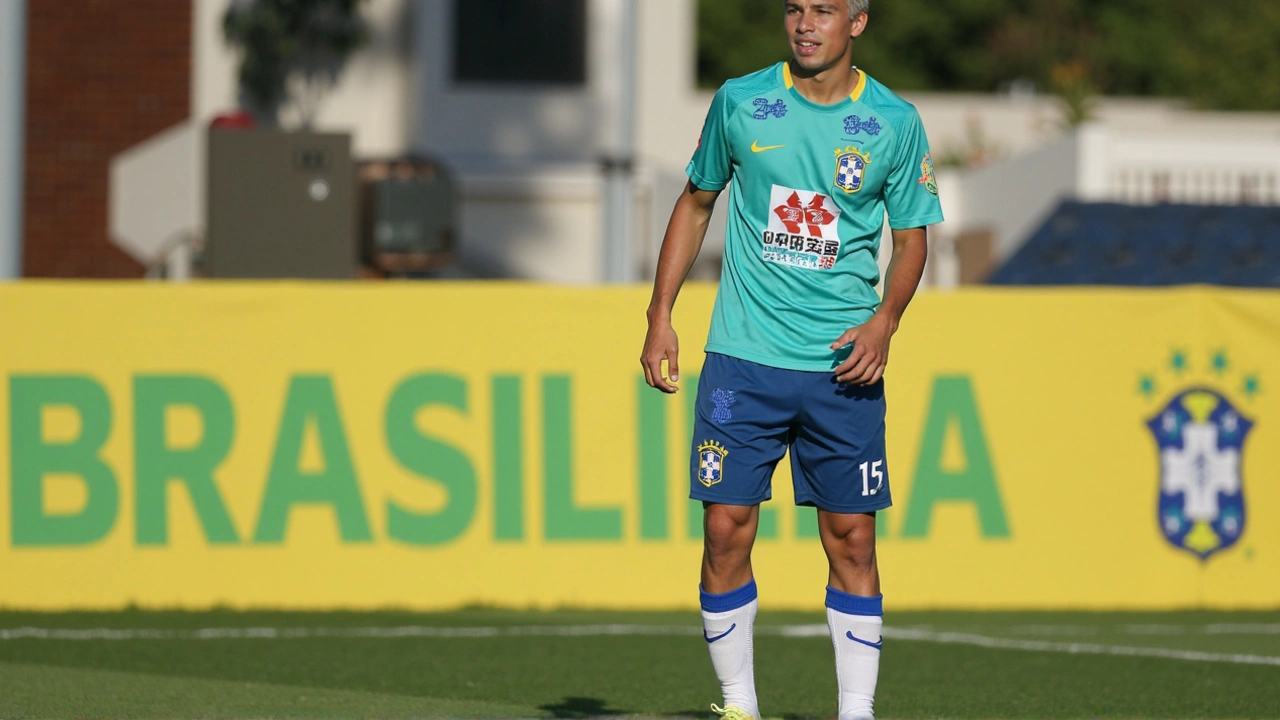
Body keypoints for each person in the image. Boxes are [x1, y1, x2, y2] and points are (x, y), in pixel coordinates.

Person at [639, 1, 943, 719]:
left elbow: (913, 238)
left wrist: (885, 323)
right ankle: (738, 705)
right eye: (795, 9)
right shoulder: (741, 101)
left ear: (857, 24)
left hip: (845, 367)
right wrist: (660, 315)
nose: (806, 24)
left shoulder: (895, 123)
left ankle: (856, 713)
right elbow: (694, 203)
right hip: (744, 359)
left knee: (853, 539)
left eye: (824, 10)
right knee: (724, 530)